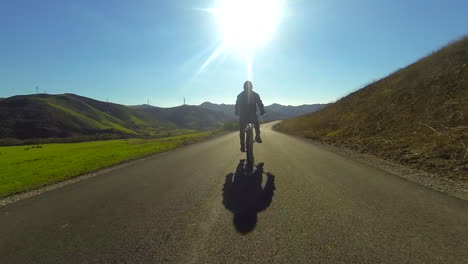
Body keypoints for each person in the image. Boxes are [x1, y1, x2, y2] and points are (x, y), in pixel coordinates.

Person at [235, 81, 265, 152]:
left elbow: (237, 105)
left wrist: (236, 112)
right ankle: (257, 136)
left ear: (243, 87)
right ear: (252, 87)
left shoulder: (240, 95)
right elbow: (260, 104)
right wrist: (262, 111)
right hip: (252, 115)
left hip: (243, 116)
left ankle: (242, 145)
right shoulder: (255, 94)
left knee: (242, 130)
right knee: (256, 124)